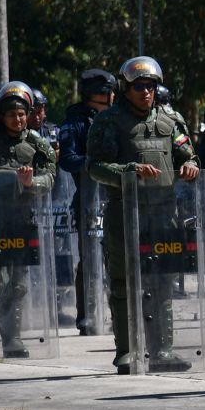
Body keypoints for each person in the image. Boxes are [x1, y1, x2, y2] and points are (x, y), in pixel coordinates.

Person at [86, 56, 200, 374]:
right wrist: (128, 171)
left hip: (164, 215)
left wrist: (191, 165)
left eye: (150, 86)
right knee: (123, 283)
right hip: (125, 214)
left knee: (162, 283)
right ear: (125, 88)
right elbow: (94, 166)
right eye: (139, 87)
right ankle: (127, 351)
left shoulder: (170, 121)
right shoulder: (108, 122)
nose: (146, 92)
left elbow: (188, 154)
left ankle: (162, 351)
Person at [0, 81, 57, 358]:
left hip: (22, 219)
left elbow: (51, 176)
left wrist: (32, 182)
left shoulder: (36, 143)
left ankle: (12, 337)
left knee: (19, 284)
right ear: (0, 114)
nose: (18, 119)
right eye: (12, 114)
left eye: (22, 114)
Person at [58, 68, 117, 335]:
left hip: (117, 197)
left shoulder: (118, 117)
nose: (112, 96)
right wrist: (95, 165)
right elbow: (68, 159)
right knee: (90, 260)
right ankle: (88, 317)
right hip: (89, 200)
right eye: (106, 93)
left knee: (119, 258)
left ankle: (121, 316)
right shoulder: (75, 121)